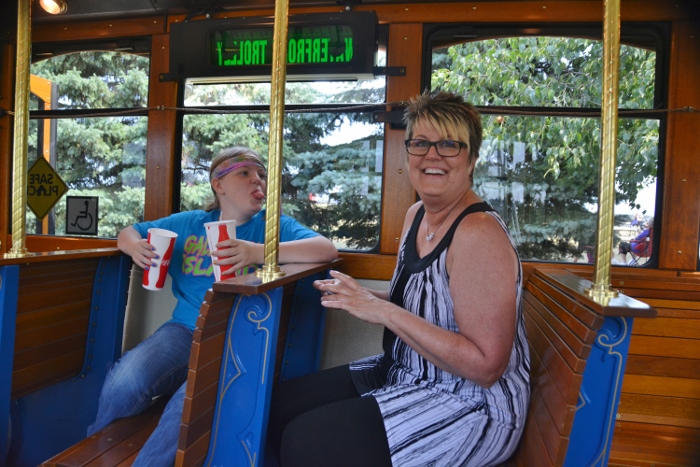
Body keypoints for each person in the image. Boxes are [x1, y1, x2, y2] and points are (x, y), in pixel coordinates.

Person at [267, 91, 530, 467]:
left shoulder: (478, 233)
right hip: (407, 369)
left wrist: (382, 311)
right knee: (279, 408)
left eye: (449, 145)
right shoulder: (416, 215)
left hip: (473, 405)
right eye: (420, 143)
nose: (432, 156)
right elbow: (424, 298)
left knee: (307, 442)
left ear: (472, 159)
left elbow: (485, 367)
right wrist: (359, 296)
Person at [87, 147, 338, 466]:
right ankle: (95, 450)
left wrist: (257, 252)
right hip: (183, 329)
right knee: (126, 379)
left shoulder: (273, 227)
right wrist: (136, 247)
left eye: (261, 174)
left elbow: (326, 249)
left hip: (236, 337)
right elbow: (129, 233)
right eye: (245, 173)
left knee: (185, 407)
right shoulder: (190, 223)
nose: (256, 180)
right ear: (218, 185)